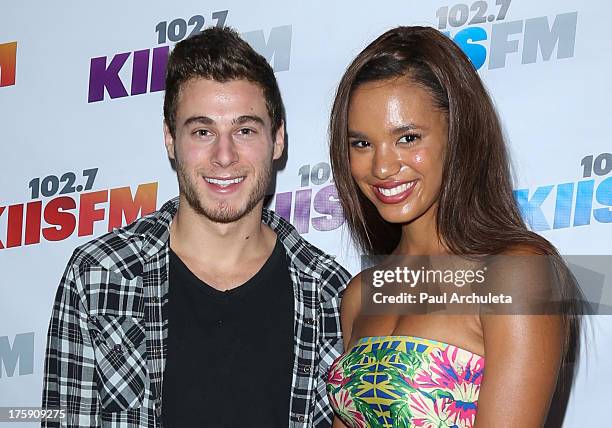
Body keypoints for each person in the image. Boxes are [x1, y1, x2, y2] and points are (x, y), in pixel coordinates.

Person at [42, 26, 350, 428]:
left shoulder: (329, 295)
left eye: (245, 130)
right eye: (202, 131)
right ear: (171, 140)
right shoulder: (99, 276)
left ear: (277, 140)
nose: (224, 155)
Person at [326, 26, 580, 427]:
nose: (382, 167)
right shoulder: (360, 294)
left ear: (459, 134)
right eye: (361, 143)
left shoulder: (518, 274)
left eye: (407, 138)